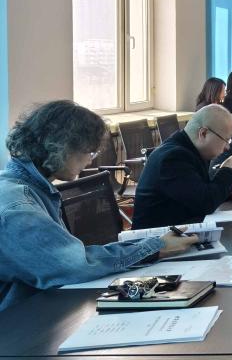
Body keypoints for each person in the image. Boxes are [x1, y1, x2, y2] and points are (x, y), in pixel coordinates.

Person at [0, 101, 197, 311]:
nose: (90, 162)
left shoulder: (31, 189)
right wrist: (155, 248)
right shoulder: (19, 208)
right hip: (21, 322)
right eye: (90, 152)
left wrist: (152, 246)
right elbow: (77, 264)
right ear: (64, 148)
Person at [132, 105, 232, 229]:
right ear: (203, 133)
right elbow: (205, 203)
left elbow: (200, 191)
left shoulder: (190, 150)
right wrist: (228, 171)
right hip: (155, 238)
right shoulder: (174, 158)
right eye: (226, 140)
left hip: (177, 228)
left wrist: (230, 187)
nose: (227, 147)